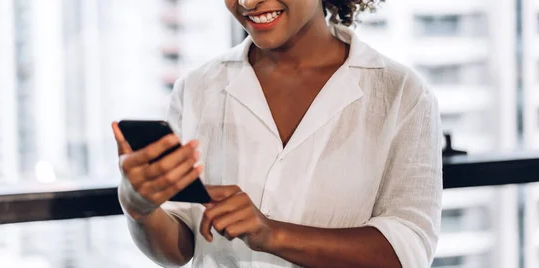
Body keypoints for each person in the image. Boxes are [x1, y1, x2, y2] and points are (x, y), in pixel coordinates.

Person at [112, 0, 442, 267]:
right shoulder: (197, 87)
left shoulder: (401, 94)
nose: (247, 3)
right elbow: (178, 249)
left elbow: (407, 250)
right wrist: (139, 208)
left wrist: (273, 234)